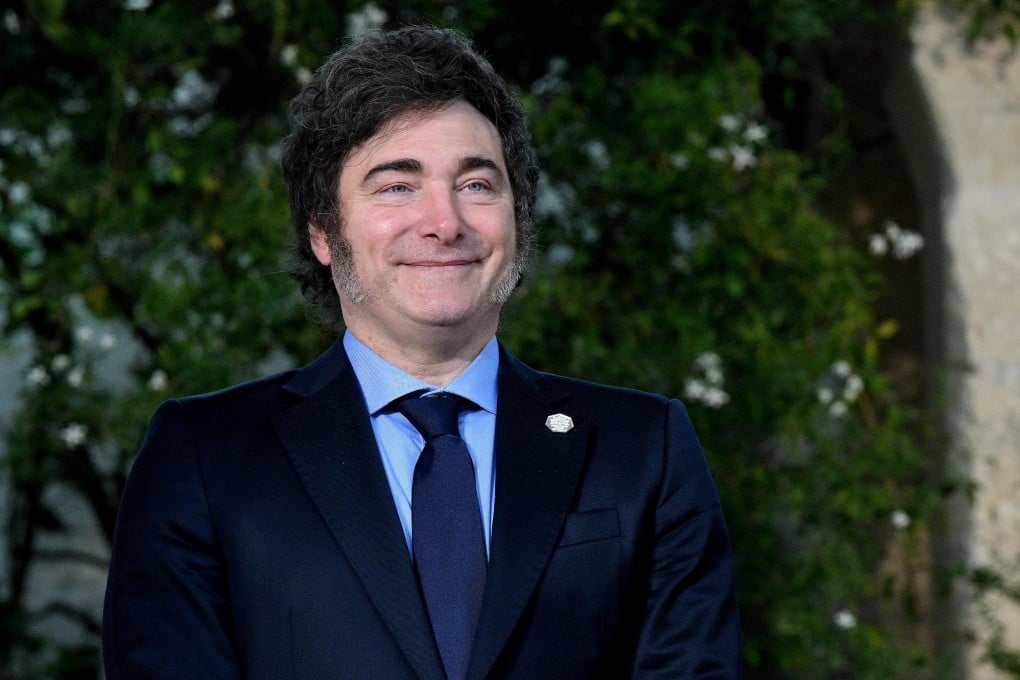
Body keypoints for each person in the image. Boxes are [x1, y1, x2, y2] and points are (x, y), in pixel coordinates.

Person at [102, 25, 741, 680]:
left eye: (476, 185)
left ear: (516, 221)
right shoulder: (203, 460)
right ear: (324, 233)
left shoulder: (644, 450)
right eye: (396, 186)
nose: (445, 221)